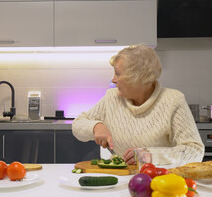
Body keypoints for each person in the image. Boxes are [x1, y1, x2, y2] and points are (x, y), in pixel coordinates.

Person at [72, 44, 204, 165]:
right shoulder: (111, 98)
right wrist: (96, 126)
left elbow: (195, 151)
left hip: (160, 182)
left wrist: (152, 156)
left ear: (138, 77)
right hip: (121, 179)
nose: (113, 80)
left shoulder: (173, 100)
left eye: (118, 73)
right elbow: (77, 125)